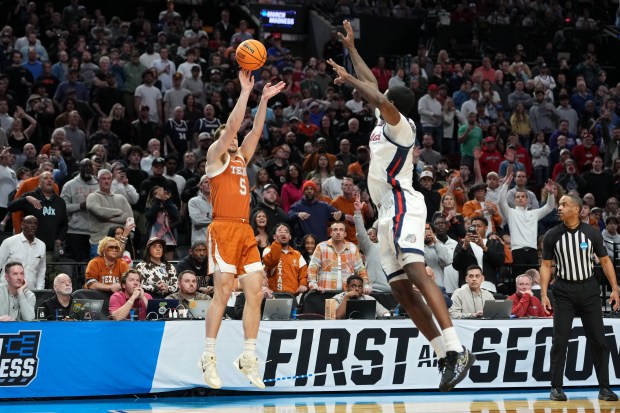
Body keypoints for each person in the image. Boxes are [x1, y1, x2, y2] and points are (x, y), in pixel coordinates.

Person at [328, 20, 474, 392]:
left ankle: (458, 348)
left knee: (416, 270)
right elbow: (375, 90)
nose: (381, 97)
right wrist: (353, 50)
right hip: (384, 210)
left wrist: (347, 76)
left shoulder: (402, 126)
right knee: (401, 290)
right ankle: (444, 354)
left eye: (387, 97)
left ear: (394, 105)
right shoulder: (384, 115)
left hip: (404, 202)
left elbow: (374, 95)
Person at [198, 70, 284, 390]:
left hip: (245, 231)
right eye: (230, 136)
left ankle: (248, 356)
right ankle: (208, 356)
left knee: (255, 293)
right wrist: (245, 92)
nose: (235, 138)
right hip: (222, 230)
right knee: (222, 292)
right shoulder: (215, 158)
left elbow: (255, 131)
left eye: (235, 138)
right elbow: (234, 126)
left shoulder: (241, 159)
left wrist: (262, 100)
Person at [541, 194, 619, 401]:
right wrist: (543, 293)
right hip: (564, 291)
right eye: (559, 205)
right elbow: (546, 265)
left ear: (576, 209)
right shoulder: (552, 235)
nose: (559, 208)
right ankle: (556, 387)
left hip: (589, 290)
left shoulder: (592, 233)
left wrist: (615, 288)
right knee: (560, 341)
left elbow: (605, 260)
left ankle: (604, 388)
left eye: (564, 205)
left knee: (599, 341)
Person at [500, 174, 556, 277]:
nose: (520, 199)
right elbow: (501, 202)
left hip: (532, 251)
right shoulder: (510, 213)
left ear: (527, 199)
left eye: (523, 197)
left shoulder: (534, 213)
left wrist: (551, 193)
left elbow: (549, 207)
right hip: (517, 251)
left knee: (533, 280)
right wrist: (505, 185)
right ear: (515, 200)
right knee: (519, 279)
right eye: (518, 197)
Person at [308, 221, 370, 292]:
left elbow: (360, 269)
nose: (338, 232)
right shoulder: (321, 247)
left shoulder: (352, 248)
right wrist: (313, 283)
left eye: (341, 230)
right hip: (325, 293)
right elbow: (312, 267)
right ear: (331, 233)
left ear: (345, 234)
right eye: (335, 230)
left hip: (347, 293)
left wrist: (366, 284)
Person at [86, 169, 133, 258]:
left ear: (112, 180)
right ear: (98, 180)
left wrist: (107, 218)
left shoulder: (121, 198)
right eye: (103, 179)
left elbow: (129, 217)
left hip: (120, 244)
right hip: (99, 243)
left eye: (108, 179)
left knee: (121, 271)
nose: (106, 181)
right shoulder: (93, 197)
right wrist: (119, 212)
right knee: (99, 272)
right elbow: (100, 212)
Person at [60, 158, 99, 263]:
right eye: (84, 166)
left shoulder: (98, 184)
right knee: (77, 263)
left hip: (95, 231)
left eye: (89, 166)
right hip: (75, 231)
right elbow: (62, 207)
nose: (87, 168)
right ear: (79, 168)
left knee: (93, 263)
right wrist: (79, 206)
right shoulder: (69, 185)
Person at [354, 194, 391, 293]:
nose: (373, 236)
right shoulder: (371, 247)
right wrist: (358, 212)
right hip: (374, 290)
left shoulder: (395, 246)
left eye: (375, 234)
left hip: (396, 292)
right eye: (369, 234)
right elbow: (361, 233)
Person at [0, 215, 46, 290]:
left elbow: (41, 271)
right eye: (29, 223)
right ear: (22, 225)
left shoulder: (42, 245)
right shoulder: (9, 242)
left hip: (30, 291)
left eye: (35, 224)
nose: (33, 225)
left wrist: (39, 290)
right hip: (7, 290)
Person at [262, 223, 308, 297]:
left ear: (290, 237)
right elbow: (271, 262)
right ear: (274, 236)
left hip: (293, 296)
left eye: (286, 231)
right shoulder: (268, 250)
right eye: (280, 231)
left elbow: (304, 274)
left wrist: (303, 284)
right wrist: (277, 243)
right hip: (273, 295)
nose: (283, 233)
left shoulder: (297, 254)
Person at [187, 175, 212, 245]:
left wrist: (207, 217)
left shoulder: (219, 202)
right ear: (200, 186)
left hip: (216, 243)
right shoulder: (193, 201)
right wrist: (217, 220)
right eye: (206, 182)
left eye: (211, 182)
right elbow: (197, 220)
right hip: (200, 244)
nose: (209, 184)